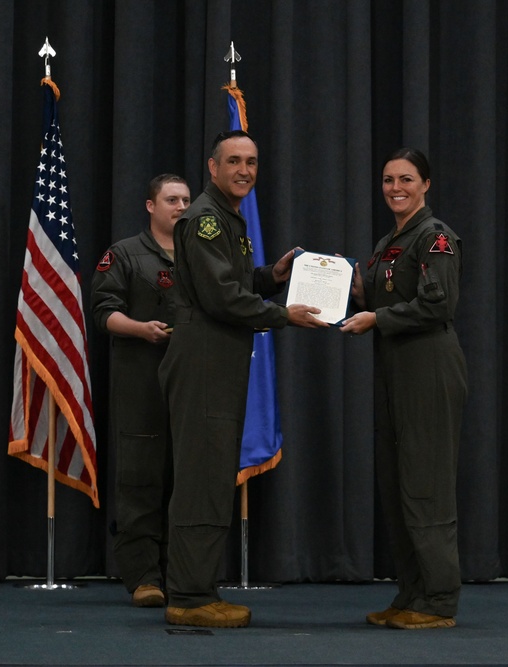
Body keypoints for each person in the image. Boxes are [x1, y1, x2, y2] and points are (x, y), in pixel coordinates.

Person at [158, 130, 326, 628]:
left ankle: (197, 589)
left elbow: (231, 283)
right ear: (212, 168)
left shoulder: (227, 218)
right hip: (204, 361)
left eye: (251, 162)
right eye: (234, 161)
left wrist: (270, 278)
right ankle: (189, 597)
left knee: (210, 475)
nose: (244, 170)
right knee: (202, 480)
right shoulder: (207, 219)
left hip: (217, 361)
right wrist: (283, 314)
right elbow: (220, 299)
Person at [340, 148, 467, 629]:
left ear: (426, 185)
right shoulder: (389, 241)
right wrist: (349, 291)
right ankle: (412, 593)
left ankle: (437, 601)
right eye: (389, 179)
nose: (396, 187)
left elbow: (438, 305)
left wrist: (377, 316)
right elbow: (382, 293)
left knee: (426, 485)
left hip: (429, 365)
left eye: (407, 179)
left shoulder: (434, 237)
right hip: (396, 367)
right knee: (398, 485)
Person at [91, 174, 192, 607]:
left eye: (187, 199)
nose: (181, 207)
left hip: (191, 384)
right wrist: (139, 329)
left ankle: (182, 574)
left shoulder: (202, 254)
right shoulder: (126, 254)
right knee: (141, 480)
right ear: (151, 206)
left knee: (186, 481)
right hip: (142, 384)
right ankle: (144, 577)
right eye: (172, 199)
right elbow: (103, 312)